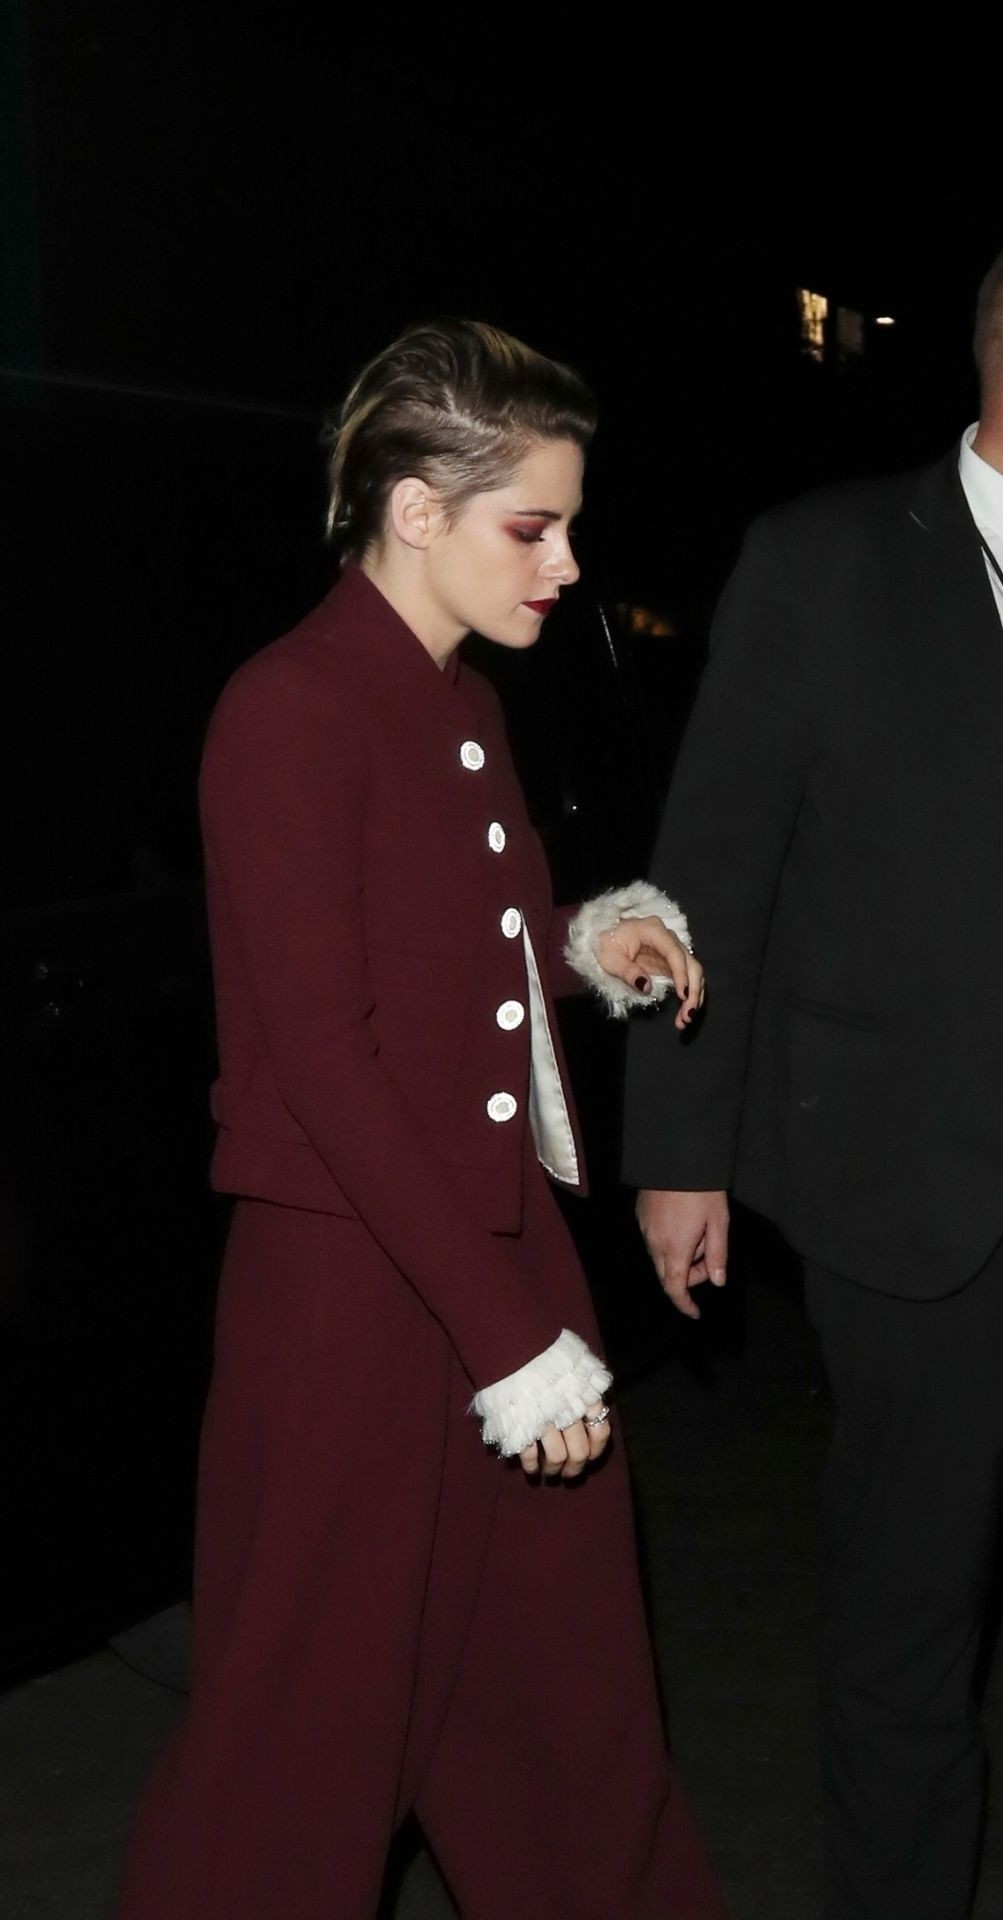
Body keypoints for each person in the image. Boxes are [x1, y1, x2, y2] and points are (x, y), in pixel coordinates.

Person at [118, 320, 729, 1920]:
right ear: (414, 508)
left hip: (492, 1254)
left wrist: (585, 946)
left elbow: (451, 959)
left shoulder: (459, 701)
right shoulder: (291, 707)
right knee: (302, 1739)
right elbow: (323, 1059)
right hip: (355, 1300)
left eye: (568, 526)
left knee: (570, 1711)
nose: (567, 564)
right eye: (533, 527)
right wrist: (507, 1340)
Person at [623, 199, 1003, 1919]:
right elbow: (713, 873)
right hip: (929, 1199)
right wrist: (679, 1152)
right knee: (909, 1639)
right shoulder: (832, 560)